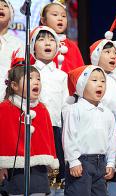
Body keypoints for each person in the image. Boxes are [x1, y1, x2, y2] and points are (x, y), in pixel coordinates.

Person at [0, 63, 58, 196]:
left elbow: (49, 136)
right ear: (14, 86)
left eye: (38, 79)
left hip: (39, 168)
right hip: (14, 168)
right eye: (30, 78)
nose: (36, 82)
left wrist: (52, 160)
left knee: (38, 194)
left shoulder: (42, 109)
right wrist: (1, 166)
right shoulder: (5, 108)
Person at [63, 65, 116, 196]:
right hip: (82, 162)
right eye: (94, 80)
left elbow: (111, 140)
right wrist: (73, 160)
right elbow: (69, 136)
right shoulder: (74, 109)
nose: (100, 84)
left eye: (103, 81)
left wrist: (110, 162)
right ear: (82, 85)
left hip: (101, 162)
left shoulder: (107, 112)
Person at [90, 39, 116, 196]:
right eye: (107, 52)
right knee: (100, 172)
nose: (113, 55)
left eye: (115, 53)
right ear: (96, 56)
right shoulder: (91, 81)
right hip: (98, 133)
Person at [30, 25, 68, 184]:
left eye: (52, 40)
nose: (47, 43)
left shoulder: (62, 75)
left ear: (58, 47)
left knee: (56, 172)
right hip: (34, 127)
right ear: (32, 47)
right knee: (36, 171)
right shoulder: (29, 72)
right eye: (41, 39)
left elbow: (66, 105)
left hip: (55, 128)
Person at [39, 0, 84, 72]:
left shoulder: (72, 46)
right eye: (55, 15)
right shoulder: (38, 43)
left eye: (64, 16)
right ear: (43, 20)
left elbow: (80, 73)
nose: (60, 18)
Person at [0, 0, 24, 101]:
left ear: (11, 16)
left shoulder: (18, 44)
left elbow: (19, 75)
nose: (1, 7)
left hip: (6, 99)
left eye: (5, 6)